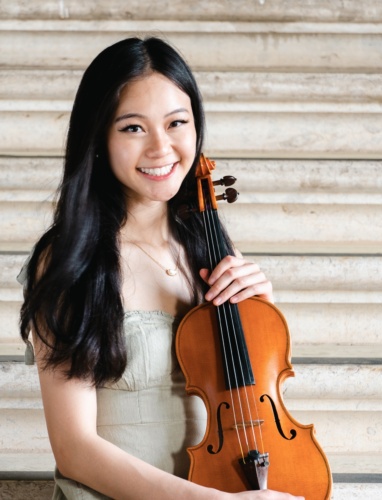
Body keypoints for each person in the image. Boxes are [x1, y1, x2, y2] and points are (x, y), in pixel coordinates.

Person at [19, 37, 304, 499]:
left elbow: (248, 412)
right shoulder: (72, 259)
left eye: (177, 123)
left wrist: (258, 317)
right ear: (98, 137)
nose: (161, 147)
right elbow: (74, 448)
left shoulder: (205, 251)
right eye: (133, 128)